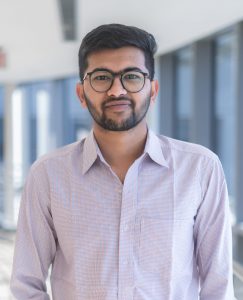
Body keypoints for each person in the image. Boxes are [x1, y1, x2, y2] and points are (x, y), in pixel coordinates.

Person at [11, 24, 235, 300]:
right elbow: (26, 286)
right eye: (102, 77)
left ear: (152, 90)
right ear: (81, 94)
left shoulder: (200, 169)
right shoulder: (48, 174)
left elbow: (218, 288)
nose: (117, 90)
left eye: (131, 76)